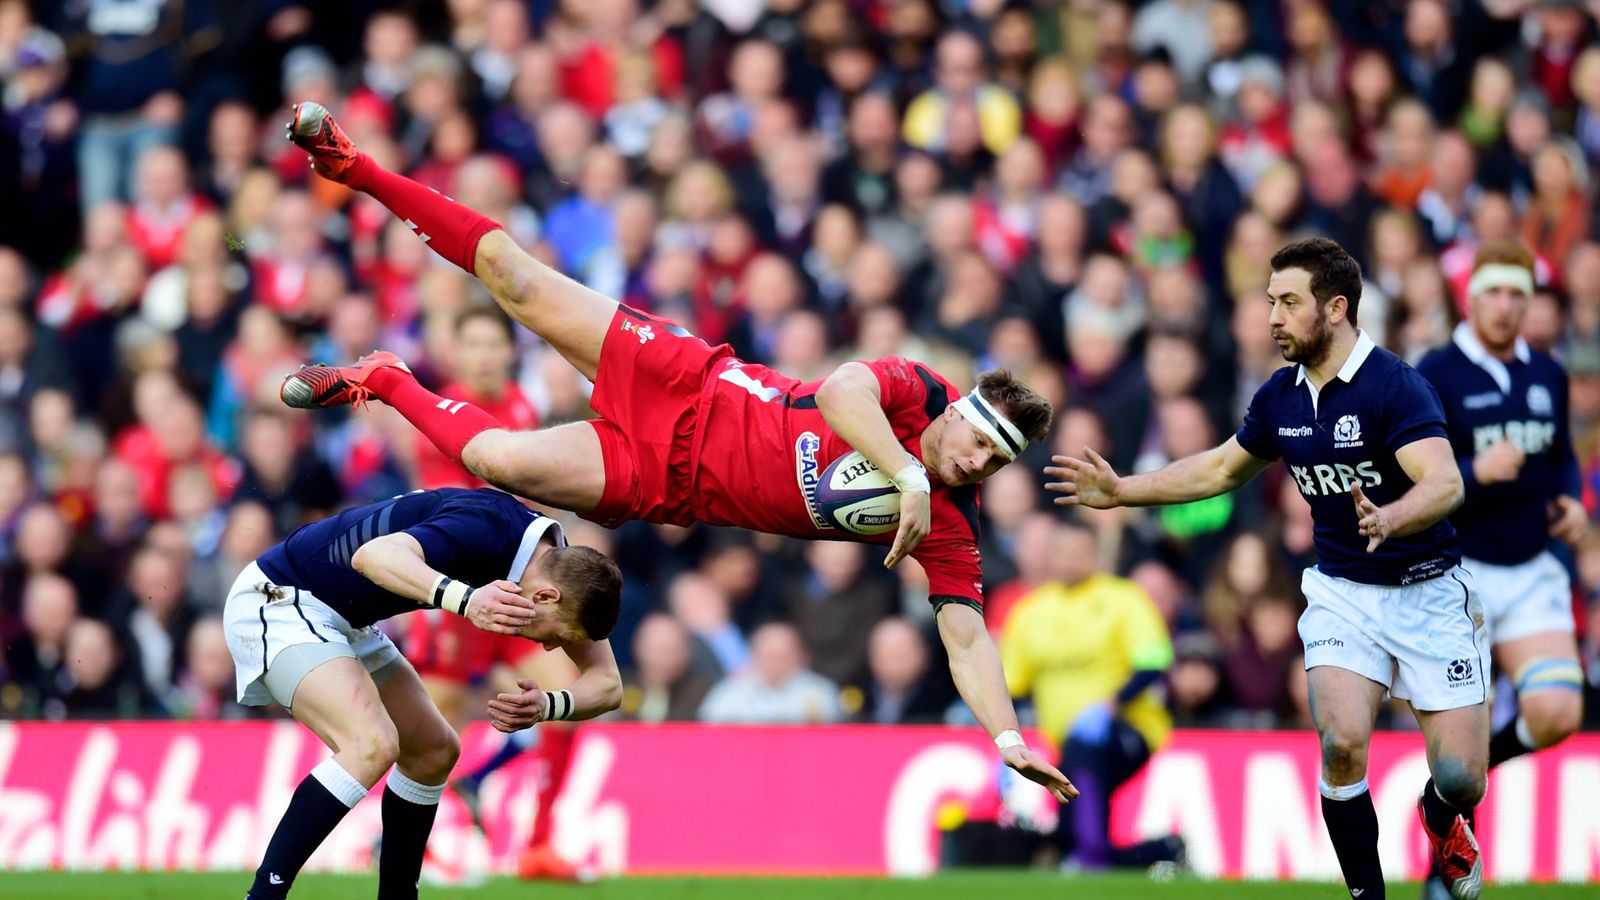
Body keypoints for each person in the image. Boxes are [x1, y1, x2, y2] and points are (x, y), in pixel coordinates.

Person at [274, 100, 1076, 805]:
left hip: (669, 481)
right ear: (963, 411)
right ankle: (355, 166)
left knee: (497, 462)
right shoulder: (917, 389)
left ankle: (386, 380)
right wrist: (905, 475)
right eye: (978, 443)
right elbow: (839, 392)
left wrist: (1007, 742)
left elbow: (966, 637)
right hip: (689, 381)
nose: (975, 465)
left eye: (994, 464)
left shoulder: (950, 526)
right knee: (512, 276)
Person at [1046, 238, 1488, 900]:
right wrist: (1123, 490)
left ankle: (1439, 812)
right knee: (1341, 744)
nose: (1273, 317)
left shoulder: (1396, 386)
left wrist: (1393, 517)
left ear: (1335, 309)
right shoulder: (1281, 396)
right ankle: (1368, 895)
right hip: (1343, 592)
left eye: (1288, 302)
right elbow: (1221, 468)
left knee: (1461, 778)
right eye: (1269, 302)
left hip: (1428, 593)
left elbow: (1446, 483)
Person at [221, 487, 623, 899]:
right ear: (545, 597)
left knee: (434, 750)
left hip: (345, 620)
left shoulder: (561, 569)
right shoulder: (487, 528)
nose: (553, 647)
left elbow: (608, 685)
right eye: (557, 635)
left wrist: (549, 704)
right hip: (282, 597)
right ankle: (263, 896)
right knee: (371, 744)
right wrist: (467, 601)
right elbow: (372, 556)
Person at [1415, 241, 1586, 899]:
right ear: (1471, 295)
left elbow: (1563, 453)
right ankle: (1448, 867)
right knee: (1463, 746)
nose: (1507, 306)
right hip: (1462, 572)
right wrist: (1468, 472)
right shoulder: (1437, 372)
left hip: (1531, 563)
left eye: (1519, 294)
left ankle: (1441, 801)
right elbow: (1406, 466)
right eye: (1495, 292)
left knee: (1555, 713)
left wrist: (1570, 499)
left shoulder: (1547, 371)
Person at [1000, 518, 1182, 872]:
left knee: (1085, 756)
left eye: (1079, 552)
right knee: (1070, 828)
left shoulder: (1123, 598)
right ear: (1051, 556)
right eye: (1063, 552)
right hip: (1062, 743)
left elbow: (1153, 662)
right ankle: (1161, 854)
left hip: (1127, 730)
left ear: (1096, 555)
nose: (1071, 560)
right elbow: (1011, 684)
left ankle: (1090, 857)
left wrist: (1110, 706)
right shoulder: (1030, 611)